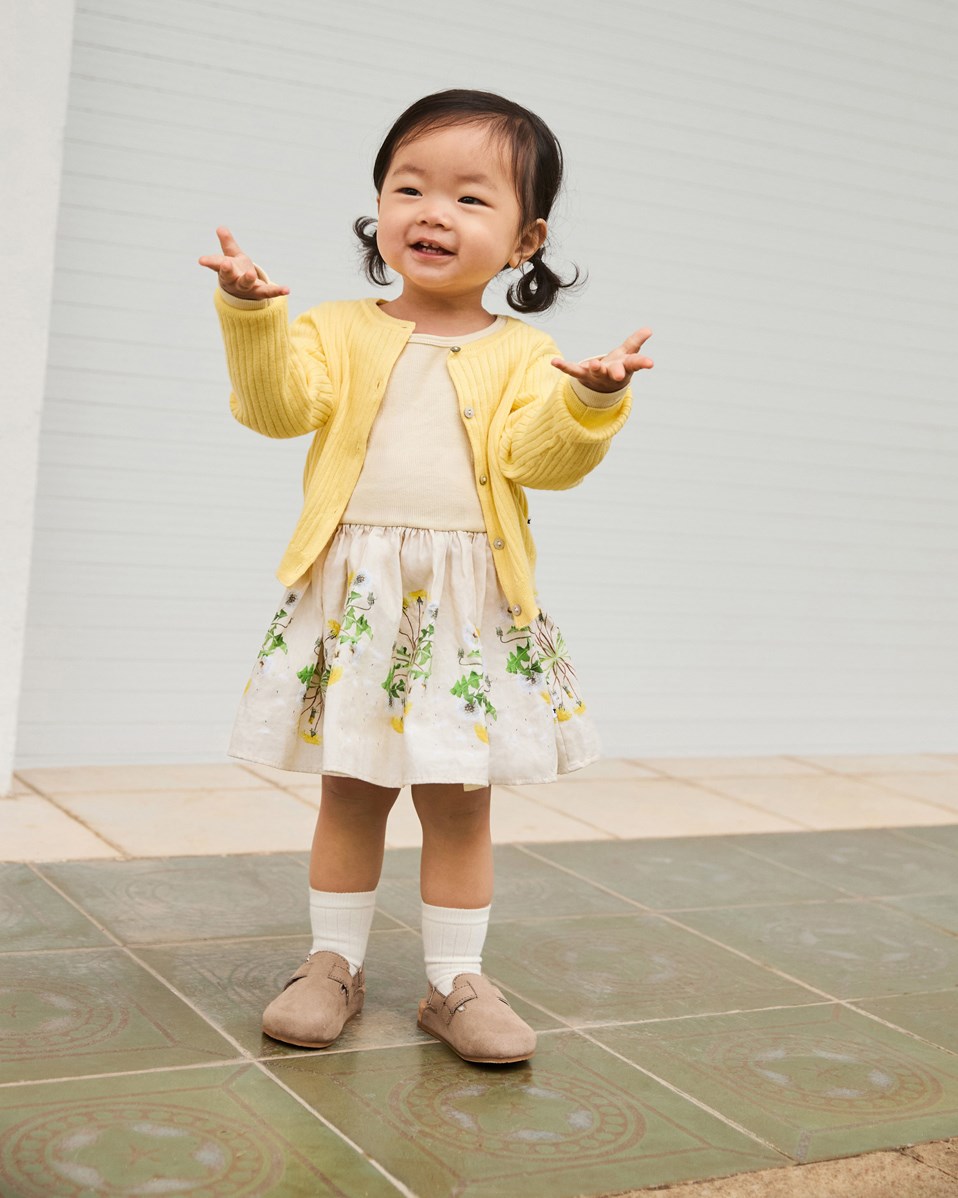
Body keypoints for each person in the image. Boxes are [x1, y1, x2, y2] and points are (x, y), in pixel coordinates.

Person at [198, 88, 653, 1066]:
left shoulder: (527, 354)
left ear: (526, 239)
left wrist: (587, 403)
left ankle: (454, 980)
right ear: (379, 209)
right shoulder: (333, 328)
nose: (432, 212)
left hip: (467, 607)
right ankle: (331, 961)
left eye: (470, 198)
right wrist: (249, 315)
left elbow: (540, 458)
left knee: (458, 796)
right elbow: (276, 407)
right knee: (352, 786)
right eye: (409, 187)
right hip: (358, 602)